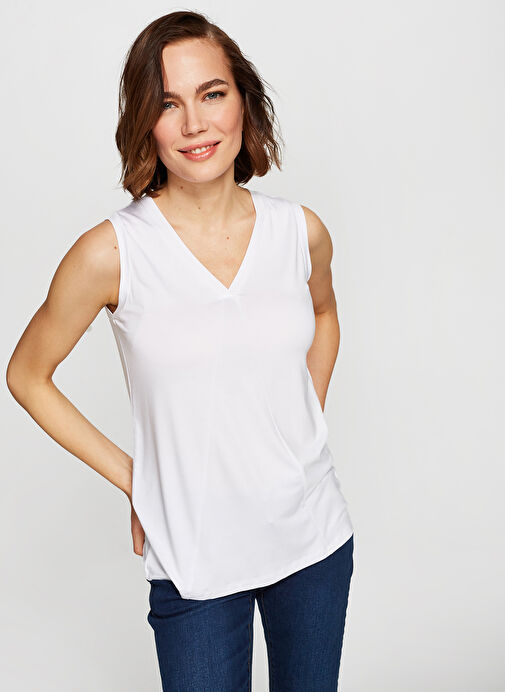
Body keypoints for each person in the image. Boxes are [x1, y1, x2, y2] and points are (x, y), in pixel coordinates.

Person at [6, 10, 355, 692]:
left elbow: (324, 312)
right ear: (145, 121)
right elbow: (27, 375)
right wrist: (137, 479)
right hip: (194, 552)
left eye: (212, 94)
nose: (195, 124)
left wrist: (301, 423)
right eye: (169, 104)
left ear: (243, 102)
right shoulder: (112, 252)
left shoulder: (299, 231)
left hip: (312, 538)